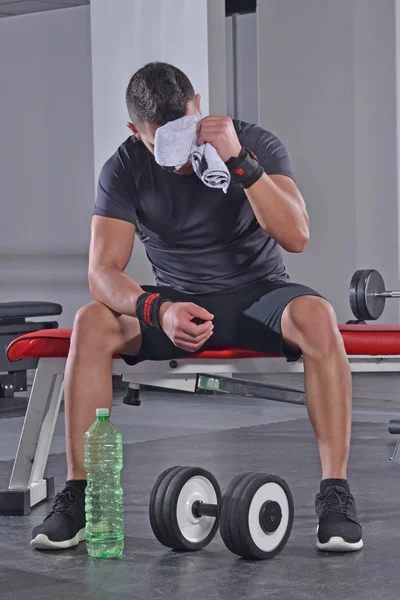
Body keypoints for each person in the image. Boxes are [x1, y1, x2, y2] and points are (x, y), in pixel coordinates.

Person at [31, 62, 362, 553]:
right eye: (161, 141)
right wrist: (155, 308)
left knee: (318, 316)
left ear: (200, 106)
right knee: (91, 321)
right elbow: (102, 272)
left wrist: (239, 160)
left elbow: (297, 236)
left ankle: (335, 492)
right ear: (134, 132)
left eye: (186, 133)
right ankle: (80, 495)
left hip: (259, 296)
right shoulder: (125, 167)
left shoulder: (253, 143)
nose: (182, 158)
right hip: (177, 305)